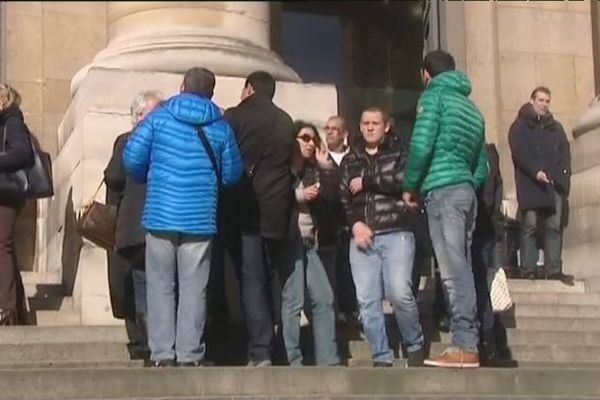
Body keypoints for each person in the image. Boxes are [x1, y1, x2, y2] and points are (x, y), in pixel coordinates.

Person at [122, 67, 243, 367]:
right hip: (200, 217)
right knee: (194, 287)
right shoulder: (221, 126)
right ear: (211, 92)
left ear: (182, 85)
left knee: (160, 284)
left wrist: (150, 177)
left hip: (161, 213)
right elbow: (232, 175)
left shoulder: (159, 118)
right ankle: (190, 354)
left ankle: (162, 354)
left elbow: (131, 158)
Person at [403, 50, 487, 368]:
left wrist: (411, 185)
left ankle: (465, 344)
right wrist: (466, 181)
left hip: (442, 191)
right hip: (465, 192)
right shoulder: (472, 109)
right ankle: (467, 341)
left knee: (453, 271)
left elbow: (421, 144)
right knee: (461, 265)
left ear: (426, 73)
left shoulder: (433, 98)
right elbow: (482, 164)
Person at [221, 71, 297, 367]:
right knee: (270, 279)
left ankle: (260, 349)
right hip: (278, 212)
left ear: (249, 89)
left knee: (251, 280)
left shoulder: (235, 117)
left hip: (246, 210)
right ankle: (276, 344)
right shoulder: (285, 120)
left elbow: (226, 160)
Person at [340, 107, 424, 368]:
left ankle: (414, 344)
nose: (369, 127)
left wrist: (366, 180)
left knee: (399, 292)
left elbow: (402, 180)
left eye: (375, 123)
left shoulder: (401, 152)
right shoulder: (350, 158)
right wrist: (355, 225)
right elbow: (344, 197)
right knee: (367, 299)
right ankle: (381, 355)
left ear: (386, 126)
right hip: (363, 235)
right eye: (365, 123)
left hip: (396, 230)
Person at [104, 90, 163, 361]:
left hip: (146, 225)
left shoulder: (138, 141)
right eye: (156, 111)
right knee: (142, 285)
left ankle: (151, 345)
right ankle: (147, 343)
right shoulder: (129, 141)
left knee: (146, 286)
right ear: (139, 116)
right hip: (139, 226)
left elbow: (113, 178)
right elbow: (114, 178)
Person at [283, 121, 339, 366]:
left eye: (313, 139)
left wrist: (327, 169)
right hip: (290, 240)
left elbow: (333, 200)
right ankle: (292, 359)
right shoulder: (284, 167)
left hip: (311, 241)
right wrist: (300, 195)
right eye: (304, 138)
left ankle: (328, 360)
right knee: (293, 300)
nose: (310, 143)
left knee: (324, 298)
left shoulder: (315, 169)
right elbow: (273, 194)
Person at [508, 86, 573, 285]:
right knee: (530, 226)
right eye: (541, 100)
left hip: (553, 185)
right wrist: (535, 171)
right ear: (532, 101)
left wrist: (562, 180)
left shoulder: (556, 127)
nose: (544, 104)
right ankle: (529, 268)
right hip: (530, 184)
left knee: (554, 227)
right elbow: (519, 153)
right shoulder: (519, 126)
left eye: (547, 101)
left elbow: (565, 154)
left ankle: (554, 269)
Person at [0, 84, 34, 326]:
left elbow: (24, 153)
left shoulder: (12, 121)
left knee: (1, 246)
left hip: (6, 194)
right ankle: (16, 310)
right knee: (4, 248)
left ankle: (6, 310)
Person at [323, 116, 357, 322]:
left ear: (344, 134)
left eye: (335, 129)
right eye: (327, 128)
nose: (329, 132)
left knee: (349, 270)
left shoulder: (355, 158)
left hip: (350, 222)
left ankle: (350, 309)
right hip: (328, 223)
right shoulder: (320, 158)